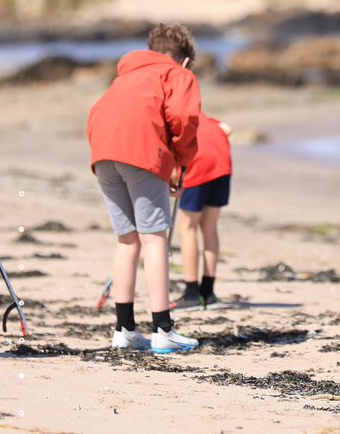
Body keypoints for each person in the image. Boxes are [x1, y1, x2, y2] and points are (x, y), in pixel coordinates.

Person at [87, 23, 202, 354]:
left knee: (128, 240)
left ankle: (124, 329)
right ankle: (163, 329)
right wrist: (181, 163)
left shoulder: (126, 75)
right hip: (140, 152)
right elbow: (183, 117)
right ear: (183, 60)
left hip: (103, 152)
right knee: (154, 238)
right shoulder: (178, 75)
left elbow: (100, 112)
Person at [172, 113, 233, 310]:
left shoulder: (176, 121)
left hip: (199, 167)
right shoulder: (210, 120)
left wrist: (174, 182)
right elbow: (227, 128)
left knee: (186, 227)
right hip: (222, 168)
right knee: (209, 227)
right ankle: (208, 292)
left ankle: (191, 293)